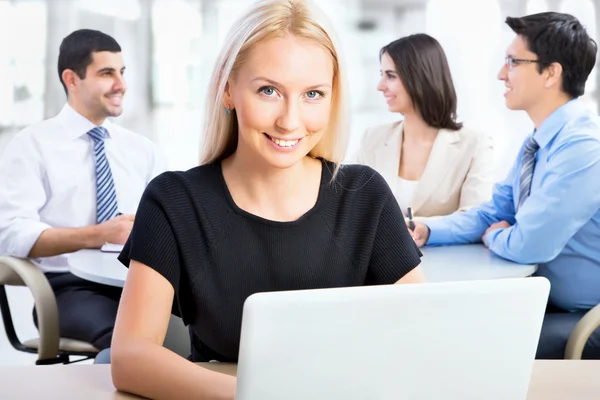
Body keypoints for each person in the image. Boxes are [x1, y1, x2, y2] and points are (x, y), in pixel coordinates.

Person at [110, 0, 425, 397]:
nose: (290, 121)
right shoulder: (173, 201)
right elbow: (130, 358)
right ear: (228, 90)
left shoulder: (364, 195)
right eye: (269, 90)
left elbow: (420, 332)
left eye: (312, 94)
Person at [410, 12, 600, 359]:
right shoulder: (541, 141)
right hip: (544, 300)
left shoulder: (584, 148)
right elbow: (496, 211)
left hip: (587, 317)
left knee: (468, 347)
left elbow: (528, 244)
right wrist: (426, 229)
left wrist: (494, 236)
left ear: (551, 73)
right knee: (442, 327)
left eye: (513, 62)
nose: (501, 74)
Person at [0, 29, 166, 352]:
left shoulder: (142, 150)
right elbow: (11, 234)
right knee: (128, 340)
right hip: (69, 290)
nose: (121, 85)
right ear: (72, 80)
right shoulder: (32, 145)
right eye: (107, 73)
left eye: (122, 72)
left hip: (139, 284)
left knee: (202, 329)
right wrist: (99, 234)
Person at [356, 33, 493, 220]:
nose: (380, 86)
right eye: (382, 75)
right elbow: (350, 207)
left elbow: (475, 217)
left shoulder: (474, 144)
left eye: (391, 76)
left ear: (420, 77)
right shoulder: (372, 139)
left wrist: (421, 229)